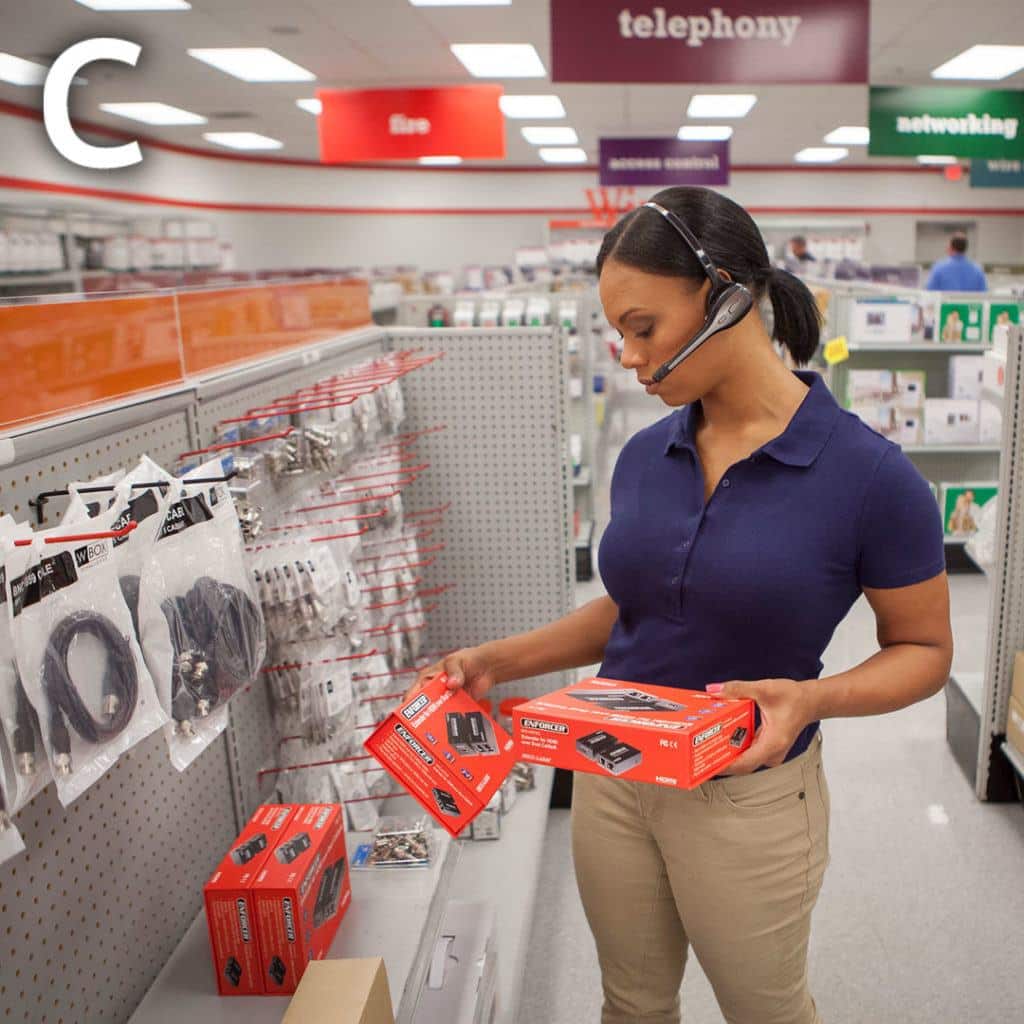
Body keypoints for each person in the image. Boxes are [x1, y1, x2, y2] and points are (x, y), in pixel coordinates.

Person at [406, 186, 953, 1024]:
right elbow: (639, 607)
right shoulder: (643, 455)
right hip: (611, 772)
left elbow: (925, 651)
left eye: (641, 327)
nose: (625, 355)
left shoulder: (872, 478)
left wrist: (812, 698)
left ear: (727, 297)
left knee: (763, 1011)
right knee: (631, 1003)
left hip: (749, 797)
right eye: (617, 332)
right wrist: (498, 660)